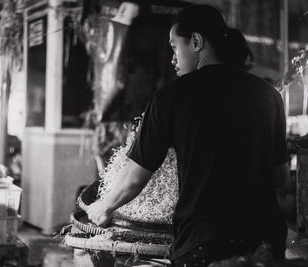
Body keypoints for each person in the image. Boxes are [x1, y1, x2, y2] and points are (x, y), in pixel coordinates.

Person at [87, 4, 289, 267]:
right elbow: (280, 177)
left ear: (196, 41)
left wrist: (104, 206)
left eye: (174, 46)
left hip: (205, 243)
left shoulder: (171, 98)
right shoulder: (269, 96)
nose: (173, 58)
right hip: (266, 242)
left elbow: (134, 178)